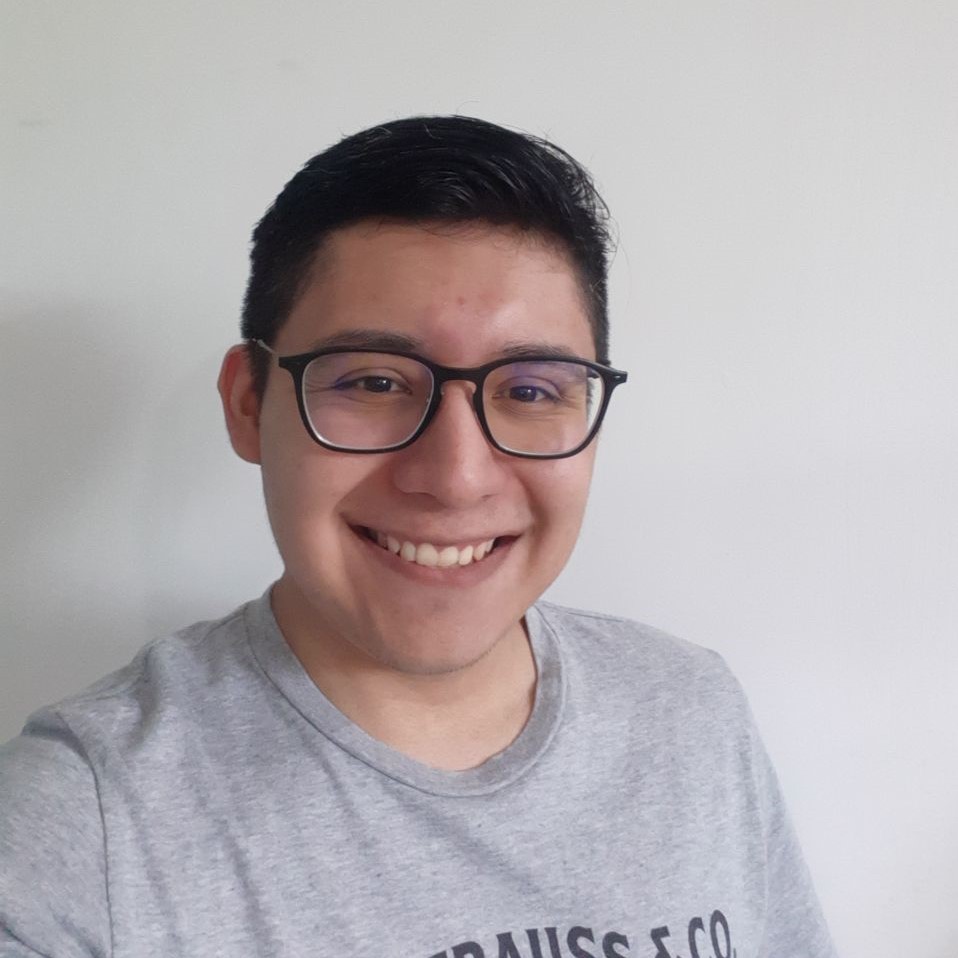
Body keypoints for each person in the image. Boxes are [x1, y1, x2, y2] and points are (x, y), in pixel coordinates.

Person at [0, 116, 836, 958]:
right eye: (374, 382)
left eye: (531, 391)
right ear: (249, 404)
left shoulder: (691, 713)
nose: (456, 477)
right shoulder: (80, 827)